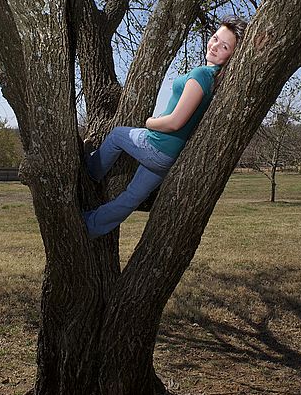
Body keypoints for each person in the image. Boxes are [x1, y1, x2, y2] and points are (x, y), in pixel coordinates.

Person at [83, 15, 246, 238]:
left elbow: (175, 121)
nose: (215, 46)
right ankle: (90, 225)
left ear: (233, 56)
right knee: (131, 197)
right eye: (215, 38)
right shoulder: (216, 81)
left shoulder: (202, 75)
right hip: (169, 158)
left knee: (118, 135)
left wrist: (150, 123)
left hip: (157, 144)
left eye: (224, 46)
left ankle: (92, 170)